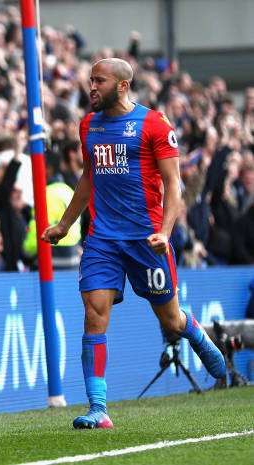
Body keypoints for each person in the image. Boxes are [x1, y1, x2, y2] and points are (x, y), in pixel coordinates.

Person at [41, 58, 226, 429]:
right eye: (90, 80)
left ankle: (198, 335)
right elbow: (89, 176)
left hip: (146, 239)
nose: (91, 87)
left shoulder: (154, 123)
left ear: (123, 85)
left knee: (171, 322)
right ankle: (98, 409)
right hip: (103, 240)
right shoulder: (88, 124)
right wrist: (64, 224)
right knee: (94, 315)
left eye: (99, 81)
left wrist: (166, 229)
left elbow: (173, 185)